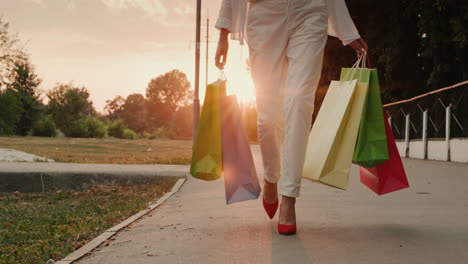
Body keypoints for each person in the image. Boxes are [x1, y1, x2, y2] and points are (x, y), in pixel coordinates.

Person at [214, 0, 368, 235]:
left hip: (310, 10)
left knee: (299, 103)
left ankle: (289, 197)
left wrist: (347, 31)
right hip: (264, 14)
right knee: (268, 115)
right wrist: (223, 34)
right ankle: (271, 177)